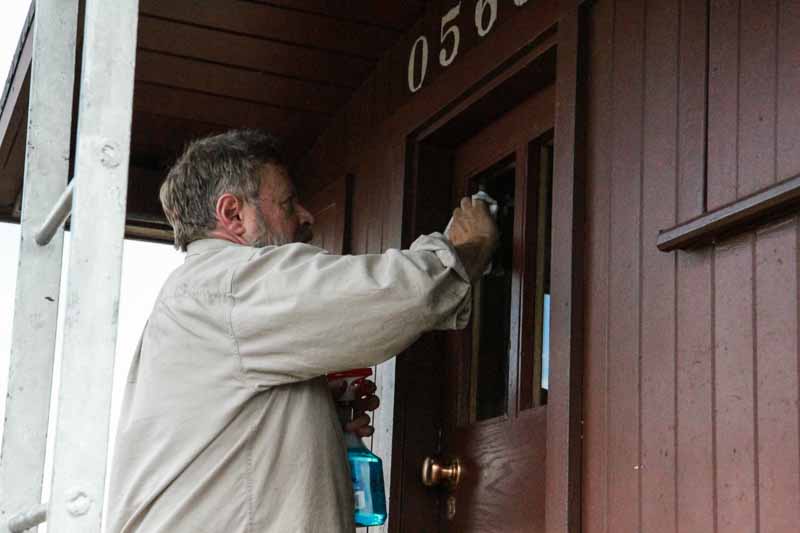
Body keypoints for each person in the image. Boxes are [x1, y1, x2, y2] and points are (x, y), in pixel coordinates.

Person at [106, 129, 498, 533]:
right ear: (233, 214)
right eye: (288, 203)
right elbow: (395, 295)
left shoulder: (199, 295)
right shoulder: (230, 284)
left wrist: (312, 413)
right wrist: (465, 249)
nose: (306, 217)